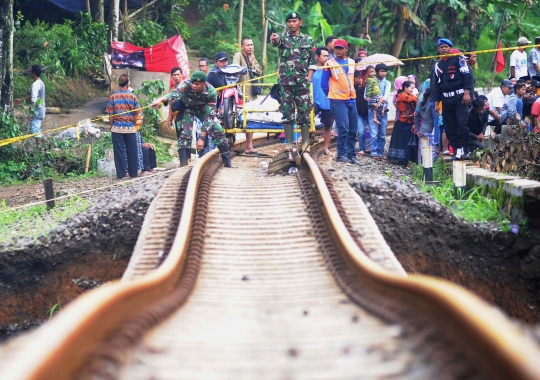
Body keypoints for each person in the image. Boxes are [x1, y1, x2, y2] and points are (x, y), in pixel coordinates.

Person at [150, 71, 233, 167]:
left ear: (204, 84)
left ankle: (228, 162)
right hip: (188, 109)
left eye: (197, 84)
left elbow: (209, 117)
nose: (193, 85)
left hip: (203, 111)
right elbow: (173, 94)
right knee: (185, 134)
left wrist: (202, 138)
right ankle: (183, 164)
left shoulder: (211, 92)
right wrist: (159, 100)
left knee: (217, 130)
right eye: (193, 83)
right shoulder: (186, 84)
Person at [270, 11, 316, 149]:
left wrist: (308, 78)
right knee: (287, 112)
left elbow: (312, 62)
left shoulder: (308, 40)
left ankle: (305, 143)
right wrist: (274, 39)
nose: (291, 24)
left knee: (304, 112)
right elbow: (276, 42)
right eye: (289, 21)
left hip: (302, 82)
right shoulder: (283, 38)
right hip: (285, 83)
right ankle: (289, 144)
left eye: (294, 21)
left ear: (300, 22)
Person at [432, 38, 472, 160]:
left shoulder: (459, 59)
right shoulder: (437, 66)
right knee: (449, 126)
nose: (444, 48)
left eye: (446, 46)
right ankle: (456, 150)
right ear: (438, 49)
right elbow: (435, 86)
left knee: (462, 124)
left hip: (460, 98)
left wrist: (467, 92)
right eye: (442, 47)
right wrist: (436, 103)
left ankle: (465, 150)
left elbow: (467, 76)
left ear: (450, 48)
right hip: (446, 99)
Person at [321, 39, 359, 164]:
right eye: (336, 48)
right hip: (337, 101)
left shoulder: (352, 62)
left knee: (353, 129)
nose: (337, 50)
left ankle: (352, 155)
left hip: (351, 99)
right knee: (343, 128)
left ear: (346, 49)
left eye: (340, 48)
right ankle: (341, 154)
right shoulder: (329, 63)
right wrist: (332, 95)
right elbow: (324, 83)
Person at [106, 74, 142, 179]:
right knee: (132, 151)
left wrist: (112, 126)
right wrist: (133, 125)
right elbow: (137, 114)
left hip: (117, 128)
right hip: (130, 128)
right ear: (128, 84)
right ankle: (133, 174)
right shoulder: (133, 96)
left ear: (119, 84)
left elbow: (111, 115)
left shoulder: (113, 96)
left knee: (119, 152)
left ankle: (121, 175)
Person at [233, 37, 263, 154]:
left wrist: (252, 64)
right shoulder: (238, 56)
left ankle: (249, 146)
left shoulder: (252, 57)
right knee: (242, 118)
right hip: (242, 92)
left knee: (250, 118)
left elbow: (260, 72)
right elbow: (235, 69)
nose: (251, 47)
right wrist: (247, 68)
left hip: (252, 93)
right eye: (248, 45)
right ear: (242, 47)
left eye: (252, 45)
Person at [309, 46, 333, 155]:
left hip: (327, 101)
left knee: (328, 126)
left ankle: (326, 148)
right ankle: (303, 140)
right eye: (324, 56)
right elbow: (308, 80)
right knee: (307, 121)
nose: (326, 58)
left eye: (327, 56)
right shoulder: (313, 68)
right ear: (317, 57)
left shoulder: (330, 68)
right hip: (315, 100)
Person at [388, 81, 418, 164]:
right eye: (411, 88)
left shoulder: (408, 95)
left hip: (409, 121)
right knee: (407, 141)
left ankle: (407, 160)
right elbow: (414, 99)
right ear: (405, 87)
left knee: (407, 141)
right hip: (404, 121)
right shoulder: (402, 95)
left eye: (413, 88)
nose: (412, 90)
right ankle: (408, 161)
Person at [368, 64, 391, 160]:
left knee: (382, 134)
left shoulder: (388, 83)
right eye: (381, 71)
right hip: (372, 109)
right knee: (373, 133)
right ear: (377, 71)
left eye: (385, 71)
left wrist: (379, 103)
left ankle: (380, 152)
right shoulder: (371, 81)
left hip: (383, 110)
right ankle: (374, 152)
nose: (383, 73)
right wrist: (376, 102)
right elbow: (367, 95)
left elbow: (386, 96)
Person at [27, 65, 46, 138]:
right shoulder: (41, 83)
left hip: (37, 112)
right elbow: (33, 95)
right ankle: (41, 147)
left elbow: (34, 100)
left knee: (36, 133)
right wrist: (22, 100)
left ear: (34, 73)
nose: (30, 72)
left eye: (31, 71)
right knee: (37, 131)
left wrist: (31, 114)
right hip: (41, 110)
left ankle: (41, 147)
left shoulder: (35, 85)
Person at [354, 70, 370, 157]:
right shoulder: (353, 87)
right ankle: (362, 148)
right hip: (358, 113)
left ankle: (371, 147)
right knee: (360, 131)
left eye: (354, 79)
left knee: (372, 131)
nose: (353, 81)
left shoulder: (367, 86)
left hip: (368, 112)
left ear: (359, 78)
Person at [167, 67, 184, 139]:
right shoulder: (172, 90)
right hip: (176, 117)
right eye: (174, 75)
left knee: (185, 138)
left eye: (178, 74)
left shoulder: (186, 86)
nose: (176, 77)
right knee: (179, 137)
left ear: (181, 75)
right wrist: (169, 119)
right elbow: (171, 105)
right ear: (171, 76)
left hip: (186, 117)